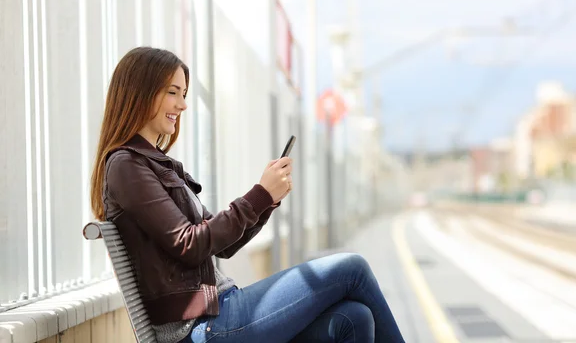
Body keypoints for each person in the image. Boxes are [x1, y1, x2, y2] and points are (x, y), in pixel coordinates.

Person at [90, 47, 405, 343]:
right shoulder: (127, 165)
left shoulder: (154, 164)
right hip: (202, 325)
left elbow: (220, 247)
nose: (183, 105)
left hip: (219, 311)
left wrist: (266, 200)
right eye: (173, 92)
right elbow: (191, 244)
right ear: (140, 92)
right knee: (352, 268)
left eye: (183, 94)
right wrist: (260, 194)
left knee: (354, 318)